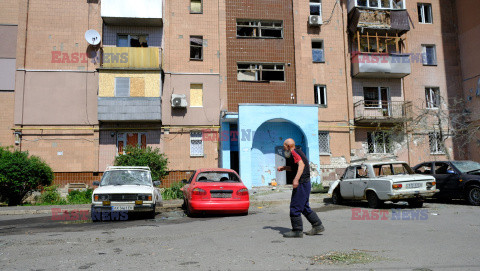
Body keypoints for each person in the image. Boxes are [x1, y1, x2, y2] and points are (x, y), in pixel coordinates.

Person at [277, 138, 324, 238]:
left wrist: (296, 180)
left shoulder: (294, 152)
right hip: (305, 183)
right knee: (304, 207)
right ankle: (318, 226)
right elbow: (295, 167)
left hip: (302, 183)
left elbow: (301, 166)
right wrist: (284, 168)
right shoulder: (298, 152)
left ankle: (297, 231)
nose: (283, 148)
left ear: (288, 146)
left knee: (295, 207)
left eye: (284, 146)